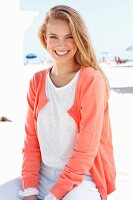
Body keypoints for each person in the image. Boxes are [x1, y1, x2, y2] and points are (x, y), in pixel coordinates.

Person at [0, 4, 116, 200]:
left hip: (82, 179)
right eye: (54, 36)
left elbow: (86, 150)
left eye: (69, 37)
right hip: (42, 175)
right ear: (45, 39)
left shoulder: (90, 80)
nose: (61, 44)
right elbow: (31, 143)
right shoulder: (37, 81)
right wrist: (29, 188)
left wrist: (56, 194)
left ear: (79, 39)